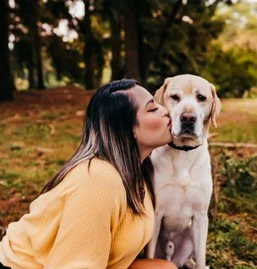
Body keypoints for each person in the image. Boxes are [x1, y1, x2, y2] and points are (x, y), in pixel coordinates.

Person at [0, 79, 176, 269]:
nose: (166, 110)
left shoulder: (139, 172)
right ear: (127, 129)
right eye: (152, 109)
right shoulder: (98, 180)